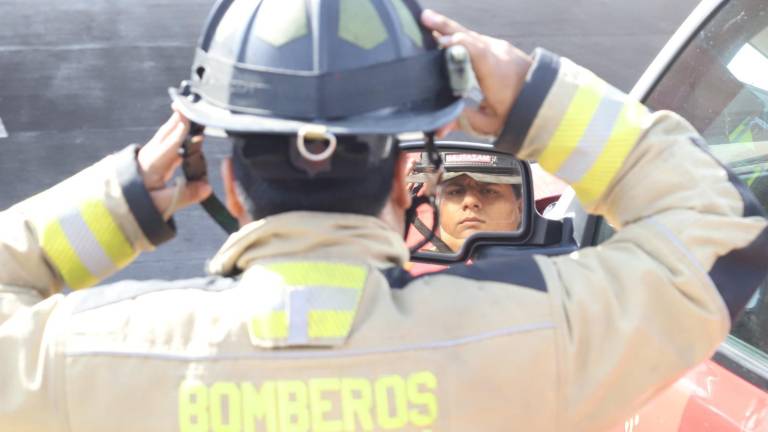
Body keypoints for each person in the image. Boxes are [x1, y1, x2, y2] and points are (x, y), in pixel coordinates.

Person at [1, 2, 767, 431]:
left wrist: (131, 199)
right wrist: (531, 98)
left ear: (229, 183)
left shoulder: (84, 360)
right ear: (405, 177)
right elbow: (718, 229)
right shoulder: (541, 344)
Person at [407, 151, 524, 252]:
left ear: (521, 207)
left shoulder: (538, 261)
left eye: (489, 191)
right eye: (455, 192)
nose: (470, 201)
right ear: (437, 205)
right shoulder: (410, 264)